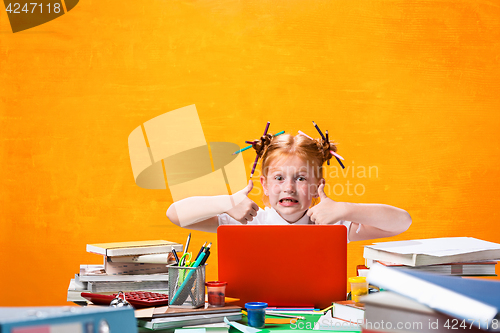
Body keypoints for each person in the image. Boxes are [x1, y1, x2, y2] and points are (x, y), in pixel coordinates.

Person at [167, 132, 412, 241]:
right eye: (279, 178)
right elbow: (175, 214)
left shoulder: (334, 228)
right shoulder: (246, 223)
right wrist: (226, 203)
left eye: (302, 178)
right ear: (263, 184)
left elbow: (402, 222)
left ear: (318, 186)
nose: (289, 188)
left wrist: (346, 209)